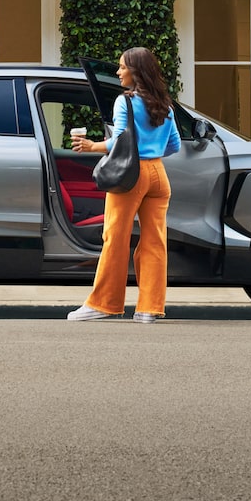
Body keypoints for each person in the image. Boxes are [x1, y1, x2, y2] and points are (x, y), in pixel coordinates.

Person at [68, 47, 181, 323]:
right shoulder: (165, 103)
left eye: (122, 67)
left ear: (136, 71)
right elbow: (174, 145)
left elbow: (120, 140)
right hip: (158, 175)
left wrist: (92, 145)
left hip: (131, 176)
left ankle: (104, 304)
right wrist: (149, 152)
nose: (118, 72)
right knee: (155, 242)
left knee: (115, 240)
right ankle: (149, 309)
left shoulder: (125, 102)